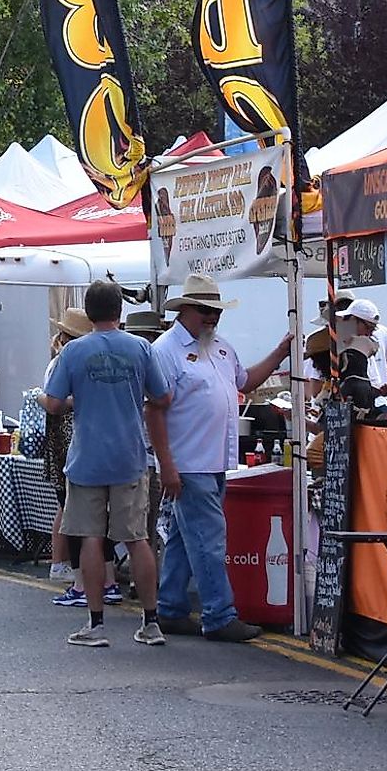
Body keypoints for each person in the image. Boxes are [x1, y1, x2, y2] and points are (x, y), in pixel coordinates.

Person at [151, 273, 289, 643]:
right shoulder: (165, 351)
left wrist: (279, 354)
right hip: (190, 461)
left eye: (216, 310)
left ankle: (171, 607)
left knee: (185, 536)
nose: (212, 317)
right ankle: (218, 614)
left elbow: (244, 382)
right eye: (205, 310)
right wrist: (166, 464)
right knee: (209, 539)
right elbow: (154, 410)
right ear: (186, 310)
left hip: (210, 460)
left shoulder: (221, 348)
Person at [43, 281, 175, 650]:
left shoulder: (74, 352)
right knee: (137, 539)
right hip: (130, 456)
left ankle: (96, 624)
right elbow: (163, 396)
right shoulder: (140, 348)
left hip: (87, 457)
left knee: (90, 537)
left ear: (88, 312)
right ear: (120, 310)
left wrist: (72, 397)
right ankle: (151, 622)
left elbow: (53, 403)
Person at [42, 306, 89, 602]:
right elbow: (56, 402)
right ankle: (66, 565)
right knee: (69, 506)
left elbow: (51, 399)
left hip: (64, 439)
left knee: (67, 505)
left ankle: (63, 564)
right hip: (67, 439)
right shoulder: (64, 362)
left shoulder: (61, 361)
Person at [334, 300, 387, 393]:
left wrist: (380, 392)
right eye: (368, 327)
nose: (369, 333)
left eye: (373, 330)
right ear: (352, 319)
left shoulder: (366, 344)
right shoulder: (338, 344)